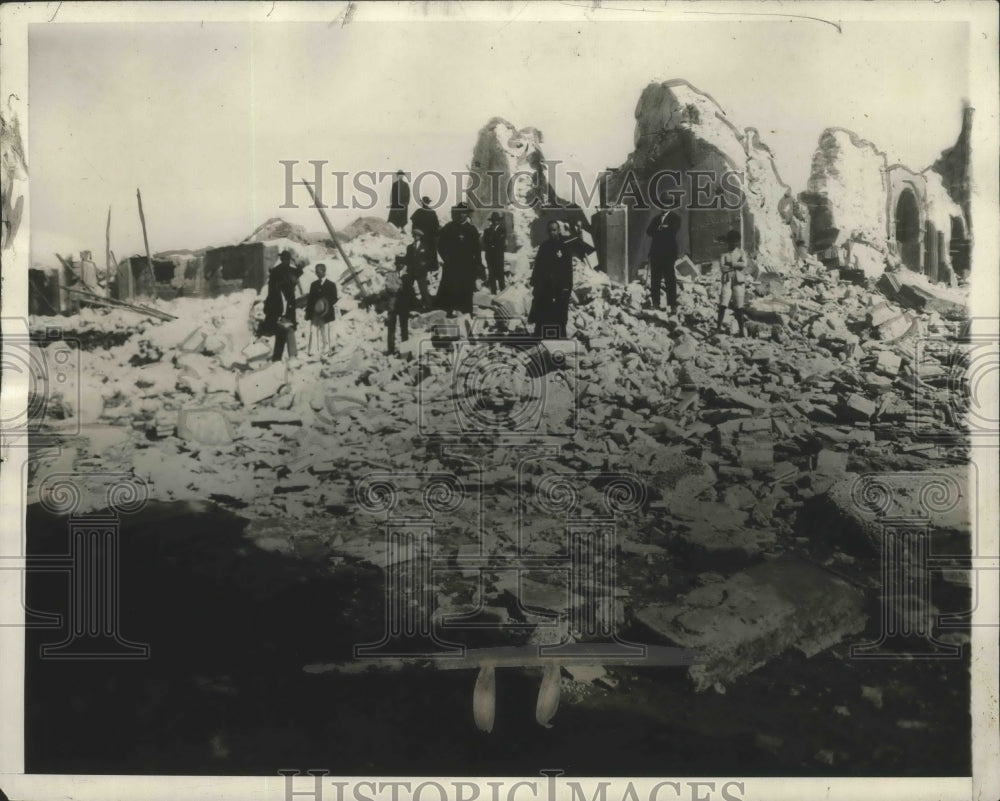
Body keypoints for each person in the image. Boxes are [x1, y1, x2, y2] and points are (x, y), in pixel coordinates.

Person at [435, 202, 483, 318]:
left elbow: (477, 250)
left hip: (467, 265)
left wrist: (478, 264)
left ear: (467, 215)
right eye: (460, 213)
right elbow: (440, 243)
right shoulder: (450, 227)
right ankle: (449, 311)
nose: (462, 215)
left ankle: (467, 312)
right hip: (452, 264)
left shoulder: (472, 230)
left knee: (466, 288)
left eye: (464, 213)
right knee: (451, 287)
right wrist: (446, 257)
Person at [529, 220, 574, 339]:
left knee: (560, 314)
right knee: (544, 312)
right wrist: (535, 283)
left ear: (559, 231)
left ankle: (560, 338)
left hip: (560, 287)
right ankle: (541, 337)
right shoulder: (544, 246)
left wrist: (567, 287)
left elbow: (568, 270)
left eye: (554, 230)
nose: (552, 233)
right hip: (546, 287)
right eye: (549, 230)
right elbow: (538, 266)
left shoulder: (564, 247)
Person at [263, 250, 299, 361]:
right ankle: (283, 357)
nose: (287, 262)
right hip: (279, 308)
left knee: (286, 331)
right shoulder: (279, 273)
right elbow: (271, 294)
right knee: (283, 331)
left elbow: (299, 272)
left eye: (288, 260)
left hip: (285, 309)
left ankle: (284, 357)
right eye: (286, 259)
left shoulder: (280, 272)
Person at [646, 209, 681, 312]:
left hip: (668, 253)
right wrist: (661, 228)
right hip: (656, 253)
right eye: (662, 204)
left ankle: (672, 305)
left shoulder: (675, 218)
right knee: (655, 279)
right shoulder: (656, 219)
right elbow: (649, 231)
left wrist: (659, 230)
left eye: (666, 203)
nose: (664, 207)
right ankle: (655, 303)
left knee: (670, 279)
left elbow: (672, 231)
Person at [717, 230, 749, 336]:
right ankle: (718, 328)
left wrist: (731, 264)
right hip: (727, 280)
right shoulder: (723, 254)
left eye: (735, 242)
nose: (733, 244)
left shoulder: (741, 252)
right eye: (731, 242)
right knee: (723, 304)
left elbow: (744, 264)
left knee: (739, 307)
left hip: (738, 281)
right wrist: (736, 265)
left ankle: (741, 331)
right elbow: (722, 267)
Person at [386, 254, 418, 355]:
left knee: (404, 329)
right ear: (396, 265)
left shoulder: (408, 276)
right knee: (391, 329)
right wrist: (399, 287)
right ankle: (391, 350)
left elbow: (411, 292)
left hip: (404, 305)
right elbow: (389, 288)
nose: (400, 265)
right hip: (393, 305)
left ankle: (405, 350)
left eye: (402, 264)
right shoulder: (390, 275)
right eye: (399, 264)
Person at [305, 263, 338, 355]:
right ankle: (313, 350)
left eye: (318, 271)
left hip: (326, 312)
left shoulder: (331, 285)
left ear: (323, 271)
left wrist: (325, 304)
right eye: (316, 271)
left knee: (325, 330)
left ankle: (326, 349)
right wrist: (308, 312)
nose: (317, 273)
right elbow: (310, 300)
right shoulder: (313, 284)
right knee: (313, 329)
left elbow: (334, 298)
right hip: (315, 312)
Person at [405, 227, 435, 307]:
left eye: (417, 235)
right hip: (411, 271)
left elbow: (430, 258)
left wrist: (425, 264)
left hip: (421, 271)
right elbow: (407, 259)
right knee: (408, 290)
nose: (415, 237)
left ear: (420, 237)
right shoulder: (409, 247)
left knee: (423, 290)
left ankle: (429, 306)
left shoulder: (425, 247)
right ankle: (409, 306)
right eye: (414, 235)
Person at [482, 211, 507, 294]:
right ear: (491, 221)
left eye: (496, 220)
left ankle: (503, 291)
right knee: (491, 275)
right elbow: (485, 242)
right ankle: (493, 292)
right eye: (493, 220)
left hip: (498, 256)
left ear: (499, 221)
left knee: (500, 274)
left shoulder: (502, 230)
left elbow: (501, 242)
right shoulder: (487, 231)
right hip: (490, 256)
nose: (495, 222)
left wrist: (492, 241)